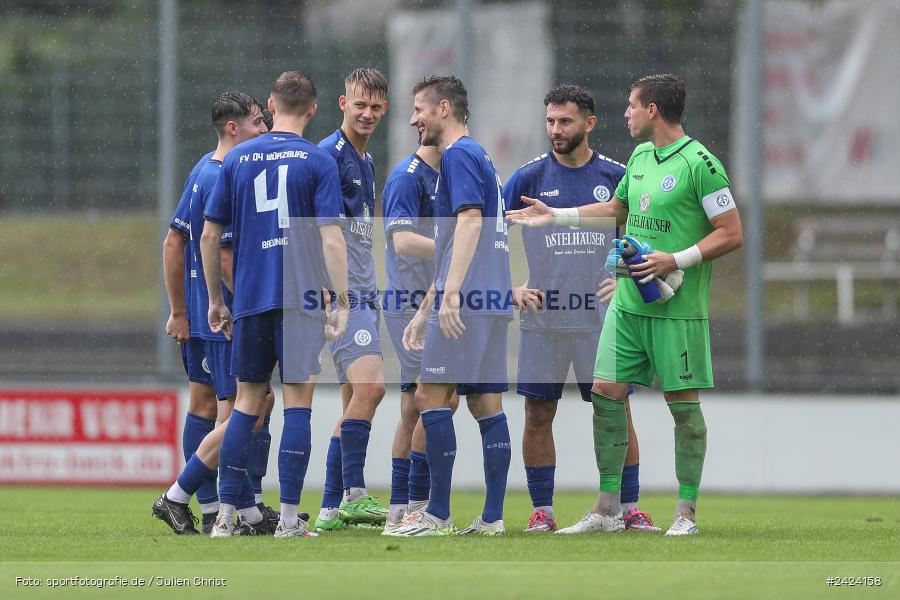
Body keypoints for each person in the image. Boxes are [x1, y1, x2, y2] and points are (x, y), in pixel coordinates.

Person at [507, 74, 743, 536]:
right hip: (627, 307)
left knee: (683, 408)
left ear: (652, 109)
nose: (627, 114)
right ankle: (608, 508)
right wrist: (557, 215)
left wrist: (675, 259)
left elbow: (732, 233)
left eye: (632, 106)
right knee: (606, 395)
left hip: (677, 307)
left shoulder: (702, 164)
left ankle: (685, 512)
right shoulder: (639, 157)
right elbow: (619, 211)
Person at [504, 84, 658, 534]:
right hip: (544, 320)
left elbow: (649, 232)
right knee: (537, 413)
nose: (556, 130)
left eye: (565, 121)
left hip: (601, 322)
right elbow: (483, 234)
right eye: (550, 121)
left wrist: (627, 276)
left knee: (614, 411)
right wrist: (508, 287)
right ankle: (542, 513)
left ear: (589, 123)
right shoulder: (528, 178)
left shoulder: (616, 174)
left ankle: (627, 508)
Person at [202, 71, 350, 538]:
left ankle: (224, 517)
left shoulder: (238, 158)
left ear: (269, 105)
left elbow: (210, 235)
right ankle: (288, 520)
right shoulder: (318, 160)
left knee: (245, 405)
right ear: (313, 109)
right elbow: (331, 236)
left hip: (251, 297)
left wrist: (214, 299)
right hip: (302, 299)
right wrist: (342, 298)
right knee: (298, 405)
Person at [389, 75, 513, 537]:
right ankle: (493, 517)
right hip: (492, 297)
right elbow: (450, 242)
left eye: (419, 109)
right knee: (485, 403)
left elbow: (469, 223)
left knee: (429, 396)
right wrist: (426, 309)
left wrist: (451, 294)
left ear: (443, 108)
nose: (413, 119)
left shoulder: (458, 155)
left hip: (470, 299)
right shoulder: (479, 155)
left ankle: (436, 514)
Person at [153, 92, 279, 535]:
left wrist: (179, 311)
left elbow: (173, 241)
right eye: (258, 123)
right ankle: (214, 504)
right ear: (234, 128)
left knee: (208, 405)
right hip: (225, 318)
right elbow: (222, 257)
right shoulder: (227, 174)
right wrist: (239, 309)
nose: (265, 130)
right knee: (247, 410)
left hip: (205, 314)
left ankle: (213, 510)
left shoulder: (203, 169)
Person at [314, 68, 391, 532]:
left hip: (365, 291)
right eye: (359, 104)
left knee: (352, 401)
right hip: (343, 297)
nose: (367, 113)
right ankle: (354, 494)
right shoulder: (328, 157)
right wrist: (333, 294)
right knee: (372, 389)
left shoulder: (364, 160)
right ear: (343, 104)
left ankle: (331, 508)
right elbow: (313, 230)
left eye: (376, 106)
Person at [380, 130, 460, 533]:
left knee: (421, 404)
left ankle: (402, 504)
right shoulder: (407, 176)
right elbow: (404, 242)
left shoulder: (454, 172)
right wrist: (457, 244)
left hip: (436, 301)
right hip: (408, 304)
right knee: (432, 400)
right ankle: (412, 503)